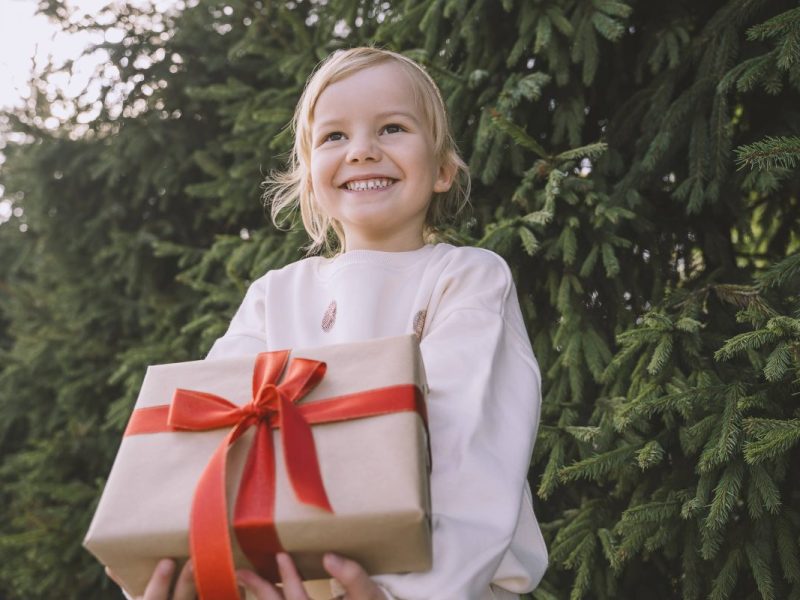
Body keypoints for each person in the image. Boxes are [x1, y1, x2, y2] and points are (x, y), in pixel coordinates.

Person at [112, 46, 548, 600]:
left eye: (392, 128)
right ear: (311, 179)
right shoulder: (276, 294)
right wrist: (178, 563)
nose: (362, 151)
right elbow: (213, 435)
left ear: (441, 170)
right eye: (334, 137)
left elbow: (473, 447)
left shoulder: (464, 277)